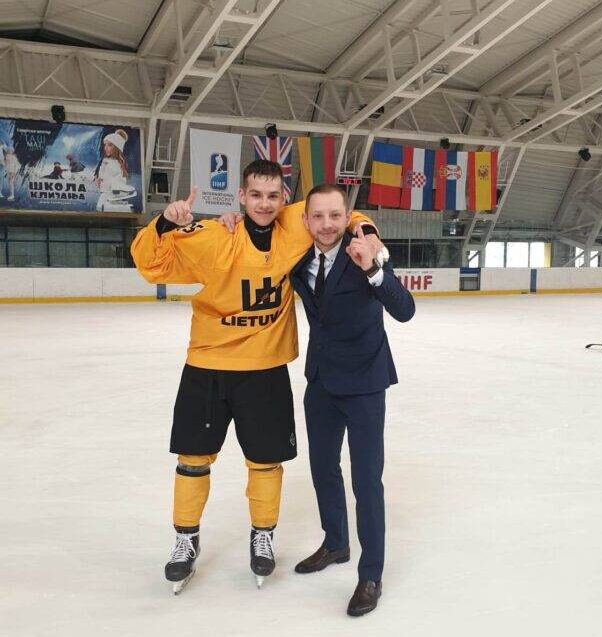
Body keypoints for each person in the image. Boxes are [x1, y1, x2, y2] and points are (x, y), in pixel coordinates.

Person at [130, 160, 380, 593]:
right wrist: (165, 223)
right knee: (192, 459)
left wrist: (367, 229)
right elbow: (151, 264)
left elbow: (342, 212)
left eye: (273, 196)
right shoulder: (212, 236)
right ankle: (186, 539)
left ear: (284, 199)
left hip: (265, 369)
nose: (265, 204)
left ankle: (262, 535)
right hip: (207, 365)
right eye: (256, 195)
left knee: (266, 460)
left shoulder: (296, 225)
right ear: (241, 197)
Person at [290, 184, 415, 617]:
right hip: (321, 382)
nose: (326, 224)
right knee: (322, 468)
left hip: (364, 383)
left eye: (335, 216)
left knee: (366, 481)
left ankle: (371, 574)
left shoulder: (366, 251)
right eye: (318, 216)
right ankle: (336, 543)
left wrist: (374, 270)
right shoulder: (299, 260)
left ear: (348, 218)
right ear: (306, 220)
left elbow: (405, 310)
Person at [96, 129, 129, 211]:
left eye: (110, 145)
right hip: (105, 195)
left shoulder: (119, 164)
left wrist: (105, 183)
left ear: (117, 147)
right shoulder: (105, 161)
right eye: (105, 145)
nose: (106, 148)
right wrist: (100, 178)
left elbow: (121, 182)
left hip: (113, 197)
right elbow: (102, 172)